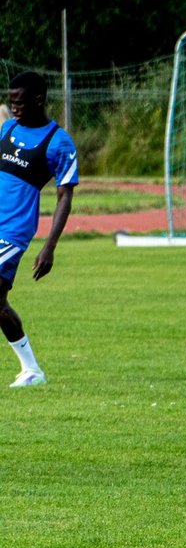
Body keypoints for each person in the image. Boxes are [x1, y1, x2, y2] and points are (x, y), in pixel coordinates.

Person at [0, 71, 78, 387]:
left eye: (19, 102)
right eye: (11, 101)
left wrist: (50, 247)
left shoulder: (58, 142)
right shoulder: (7, 129)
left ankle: (32, 370)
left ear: (38, 100)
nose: (14, 107)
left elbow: (65, 197)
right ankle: (31, 370)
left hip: (13, 231)